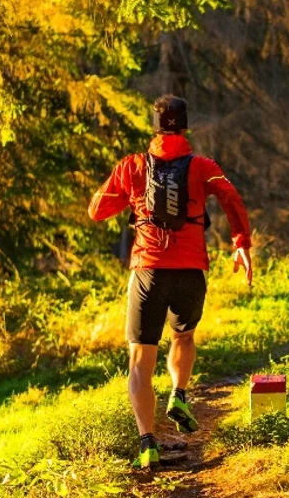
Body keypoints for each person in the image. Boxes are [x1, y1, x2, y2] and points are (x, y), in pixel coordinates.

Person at [89, 95, 252, 470]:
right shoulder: (203, 167)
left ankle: (147, 443)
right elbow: (230, 197)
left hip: (147, 270)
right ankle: (179, 394)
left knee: (140, 357)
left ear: (155, 126)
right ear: (185, 127)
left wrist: (128, 195)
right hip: (191, 270)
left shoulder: (132, 166)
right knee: (184, 337)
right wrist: (240, 244)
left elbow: (97, 210)